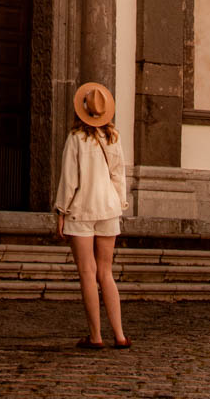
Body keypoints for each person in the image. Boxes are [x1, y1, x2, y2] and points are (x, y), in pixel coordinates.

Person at [54, 81, 131, 350]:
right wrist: (119, 203)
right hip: (109, 209)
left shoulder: (76, 139)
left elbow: (69, 179)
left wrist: (61, 212)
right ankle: (120, 335)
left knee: (87, 273)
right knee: (106, 273)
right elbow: (119, 176)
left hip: (82, 210)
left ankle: (96, 336)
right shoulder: (114, 138)